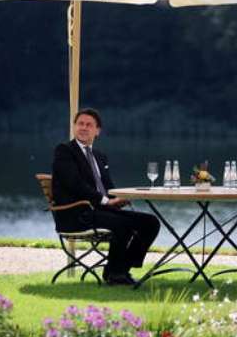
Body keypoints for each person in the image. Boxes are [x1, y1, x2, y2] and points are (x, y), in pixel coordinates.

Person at [52, 108, 160, 285]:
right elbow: (75, 184)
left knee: (150, 223)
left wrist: (118, 198)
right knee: (122, 224)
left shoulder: (99, 156)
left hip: (101, 211)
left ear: (97, 131)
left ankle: (121, 269)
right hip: (76, 214)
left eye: (89, 125)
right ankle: (116, 274)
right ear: (74, 127)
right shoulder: (64, 151)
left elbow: (108, 188)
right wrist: (106, 201)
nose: (84, 128)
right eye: (80, 124)